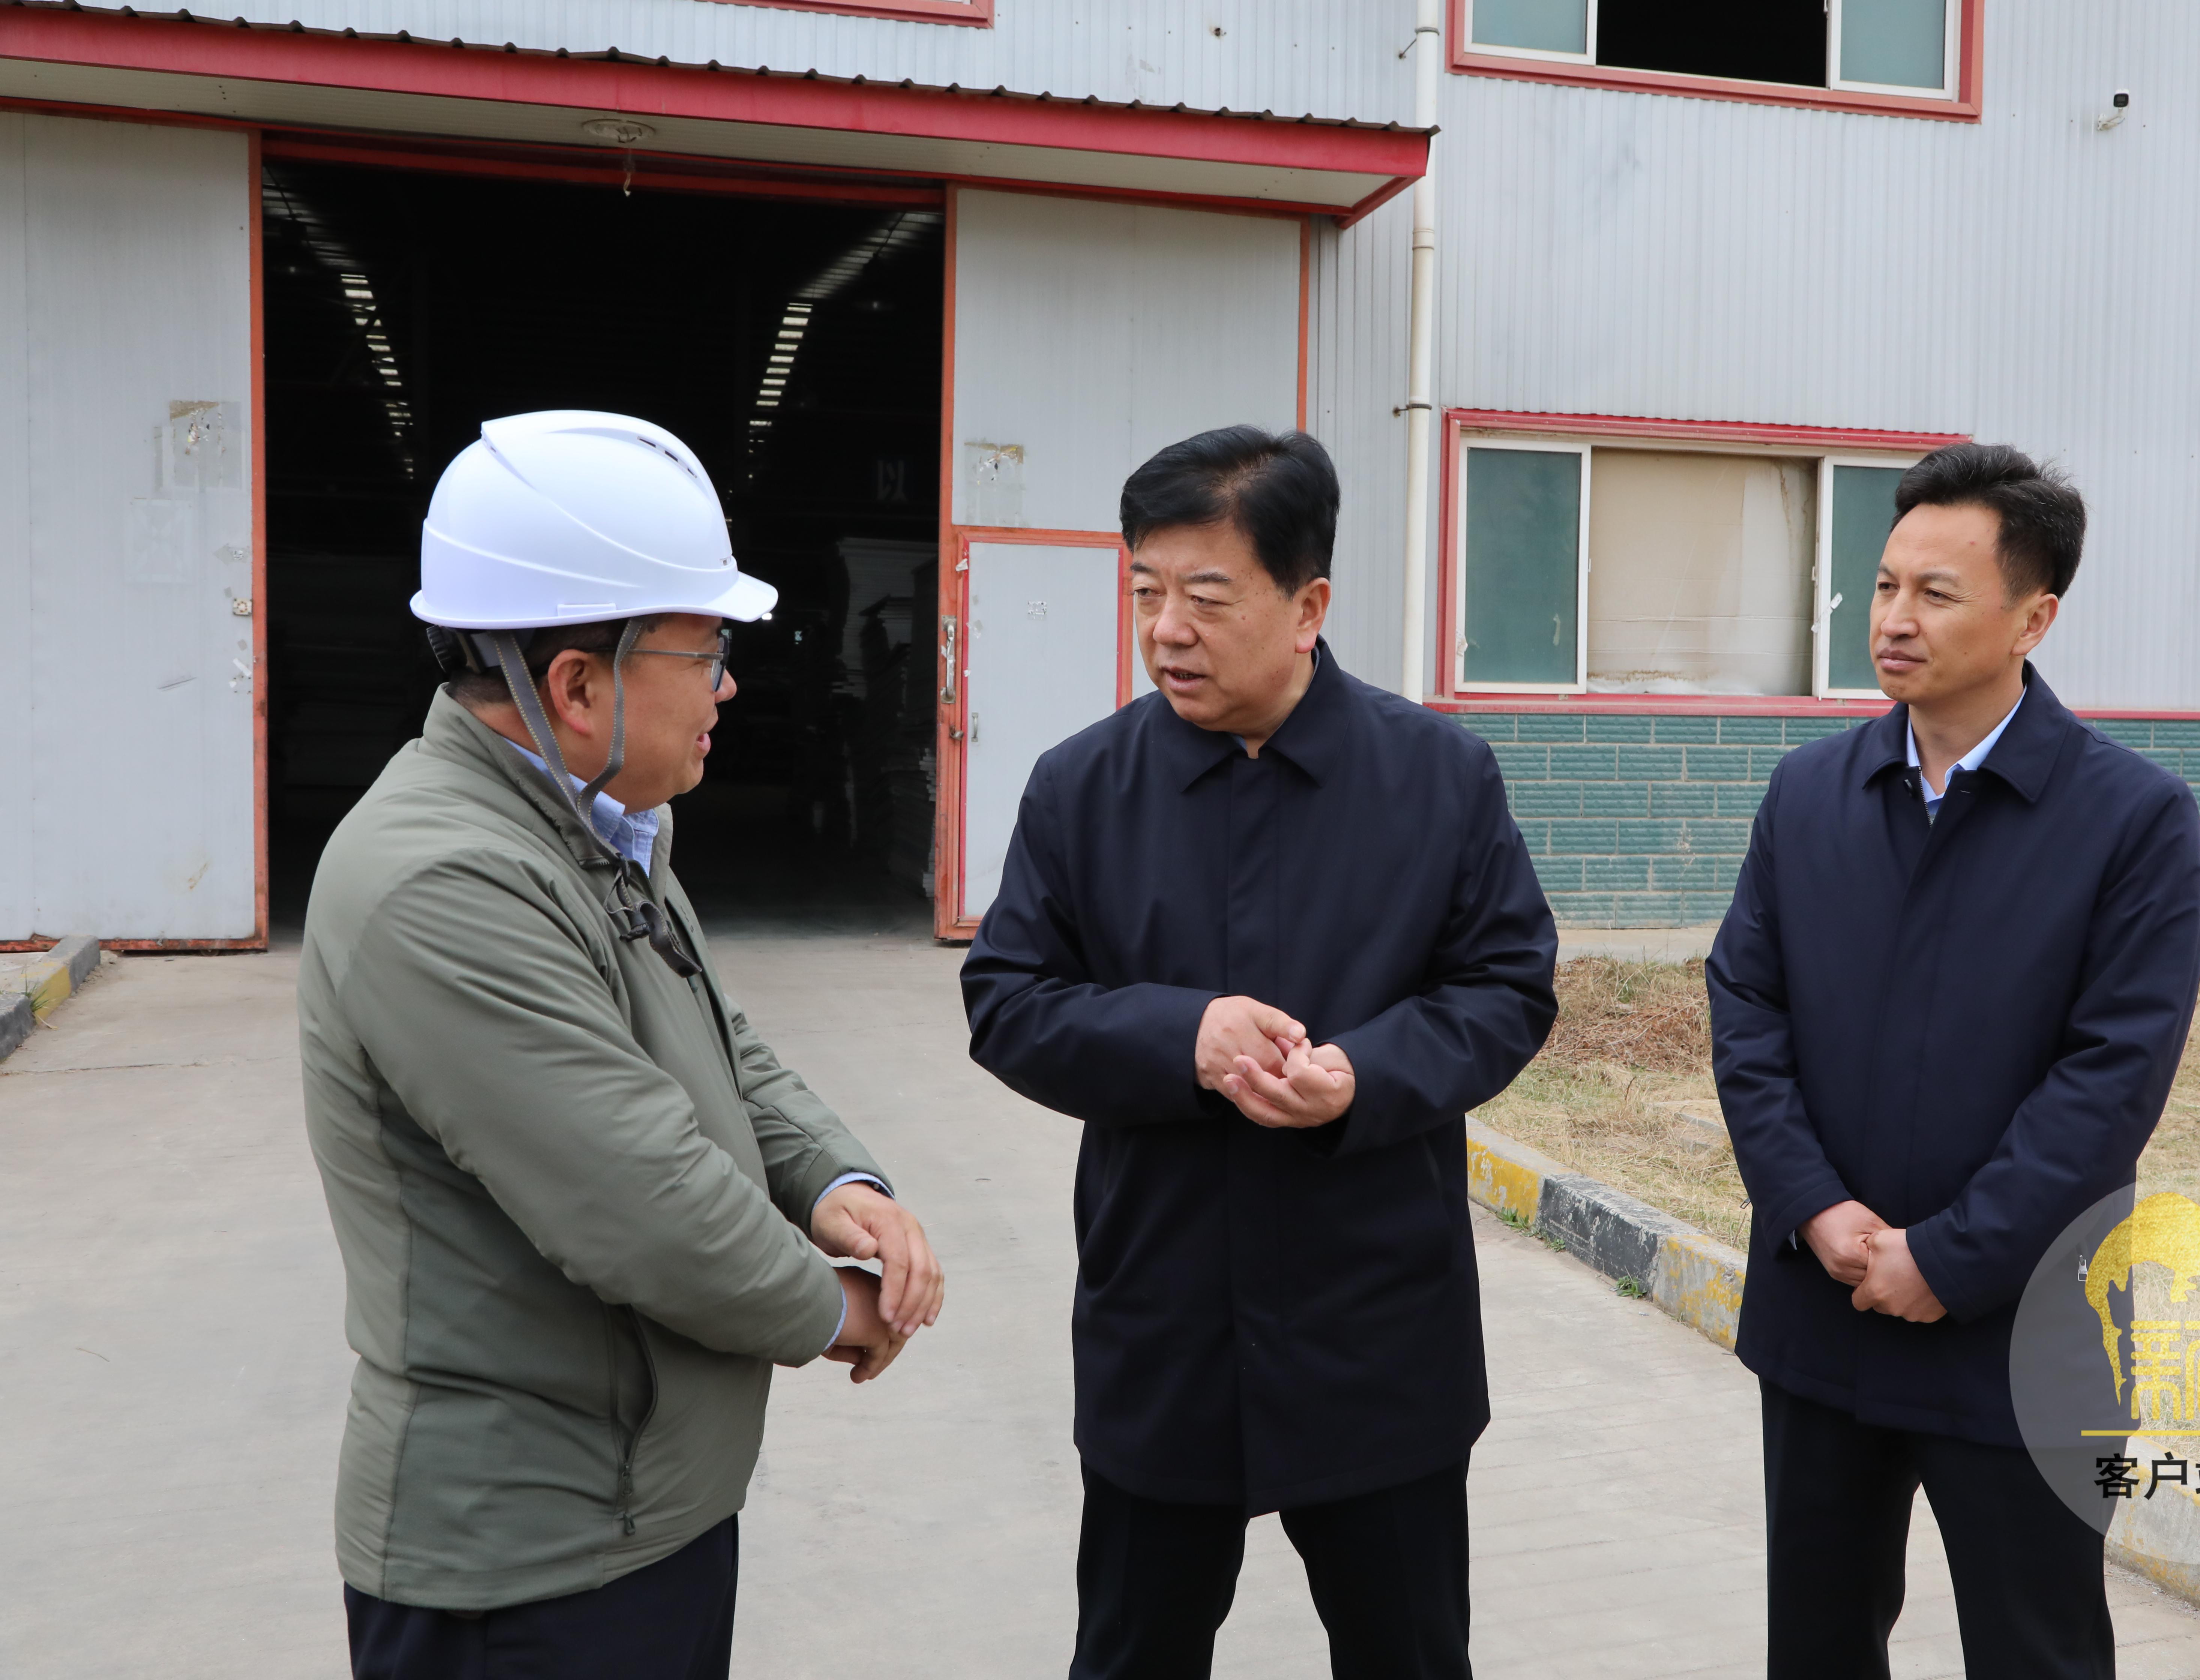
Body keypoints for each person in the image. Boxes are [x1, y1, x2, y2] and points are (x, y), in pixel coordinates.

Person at [298, 410, 945, 1680]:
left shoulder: (597, 824)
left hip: (643, 1512)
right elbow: (638, 1198)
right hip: (532, 1560)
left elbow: (715, 1037)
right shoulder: (443, 881)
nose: (729, 688)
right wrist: (831, 1306)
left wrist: (836, 1181)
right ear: (577, 686)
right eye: (706, 654)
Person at [961, 426, 1557, 1680]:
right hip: (1165, 1319)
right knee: (1133, 1651)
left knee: (1407, 1655)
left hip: (1377, 1328)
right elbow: (1008, 999)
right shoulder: (1083, 788)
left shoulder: (1437, 778)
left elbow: (1505, 988)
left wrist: (1365, 1077)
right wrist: (1179, 1034)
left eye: (1206, 596)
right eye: (1145, 592)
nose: (1166, 629)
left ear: (1308, 606)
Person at [1707, 442, 2200, 1679]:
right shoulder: (1810, 793)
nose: (1895, 619)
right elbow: (1746, 1006)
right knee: (1818, 1645)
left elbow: (2112, 1079)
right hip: (1825, 1315)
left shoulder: (2131, 820)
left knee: (2038, 1649)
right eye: (1885, 586)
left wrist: (1948, 1257)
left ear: (2035, 618)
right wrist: (1814, 1207)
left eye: (1937, 593)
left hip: (2024, 1338)